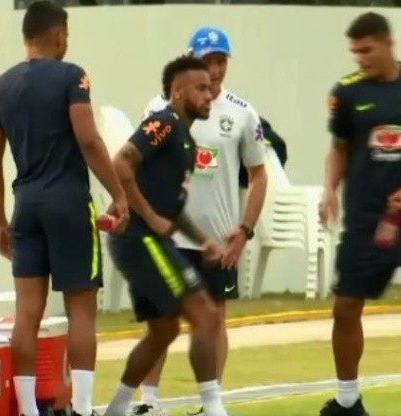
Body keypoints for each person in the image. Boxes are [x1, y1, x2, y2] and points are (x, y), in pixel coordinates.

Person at [0, 2, 129, 416]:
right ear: (59, 34)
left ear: (25, 36)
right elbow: (89, 140)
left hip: (24, 205)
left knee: (27, 312)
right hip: (67, 201)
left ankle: (29, 411)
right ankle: (82, 409)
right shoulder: (71, 76)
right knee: (82, 307)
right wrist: (118, 194)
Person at [318, 12, 401, 416]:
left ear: (387, 43)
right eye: (354, 51)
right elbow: (339, 148)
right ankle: (347, 401)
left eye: (366, 50)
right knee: (345, 306)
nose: (359, 58)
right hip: (364, 217)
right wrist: (329, 189)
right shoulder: (345, 93)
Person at [132, 26, 268, 416]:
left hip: (216, 240)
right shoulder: (159, 107)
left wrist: (244, 230)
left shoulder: (242, 112)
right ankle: (149, 403)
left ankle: (211, 404)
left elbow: (258, 175)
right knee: (159, 319)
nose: (215, 69)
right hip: (170, 234)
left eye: (221, 61)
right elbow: (138, 163)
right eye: (207, 60)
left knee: (213, 322)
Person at [103, 56, 231, 416]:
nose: (210, 94)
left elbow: (171, 205)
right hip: (142, 240)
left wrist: (199, 237)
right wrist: (150, 217)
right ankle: (213, 408)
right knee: (205, 315)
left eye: (211, 88)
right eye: (201, 88)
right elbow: (121, 161)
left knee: (163, 331)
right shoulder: (164, 121)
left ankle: (116, 409)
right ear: (177, 92)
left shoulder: (185, 139)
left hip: (142, 240)